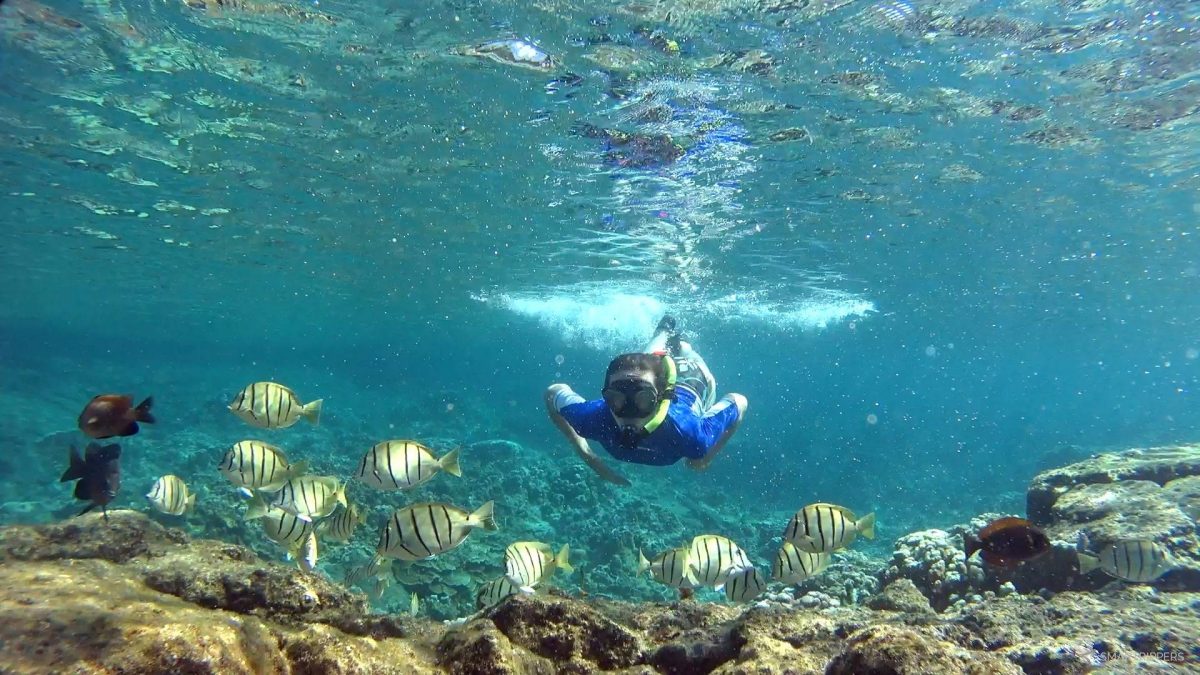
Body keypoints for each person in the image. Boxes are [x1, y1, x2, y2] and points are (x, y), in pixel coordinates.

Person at [544, 316, 748, 486]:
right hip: (652, 377)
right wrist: (587, 454)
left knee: (684, 352)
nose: (629, 412)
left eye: (643, 399)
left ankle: (682, 346)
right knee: (644, 362)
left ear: (660, 398)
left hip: (693, 379)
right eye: (617, 398)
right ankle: (663, 332)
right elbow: (552, 393)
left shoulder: (689, 433)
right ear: (606, 396)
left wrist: (706, 456)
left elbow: (738, 401)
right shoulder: (592, 418)